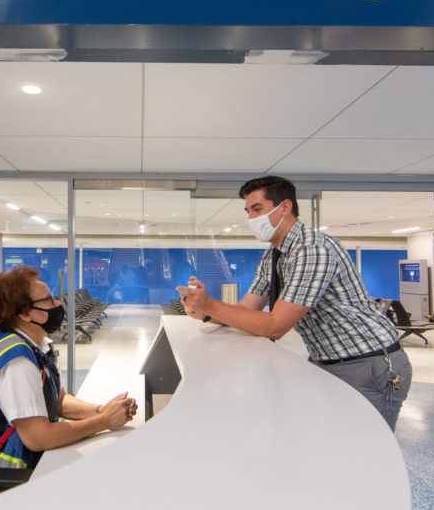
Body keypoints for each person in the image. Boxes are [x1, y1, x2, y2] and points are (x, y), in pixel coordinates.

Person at [176, 176, 412, 431]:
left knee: (364, 453)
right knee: (330, 446)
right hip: (326, 361)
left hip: (367, 364)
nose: (251, 219)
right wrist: (204, 312)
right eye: (248, 212)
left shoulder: (313, 250)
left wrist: (210, 305)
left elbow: (275, 326)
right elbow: (246, 310)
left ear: (285, 208)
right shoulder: (274, 255)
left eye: (257, 209)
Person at [0, 266, 137, 510]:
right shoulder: (16, 364)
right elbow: (39, 437)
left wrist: (101, 410)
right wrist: (103, 422)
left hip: (18, 469)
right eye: (48, 300)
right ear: (25, 313)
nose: (57, 303)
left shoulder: (34, 346)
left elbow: (58, 401)